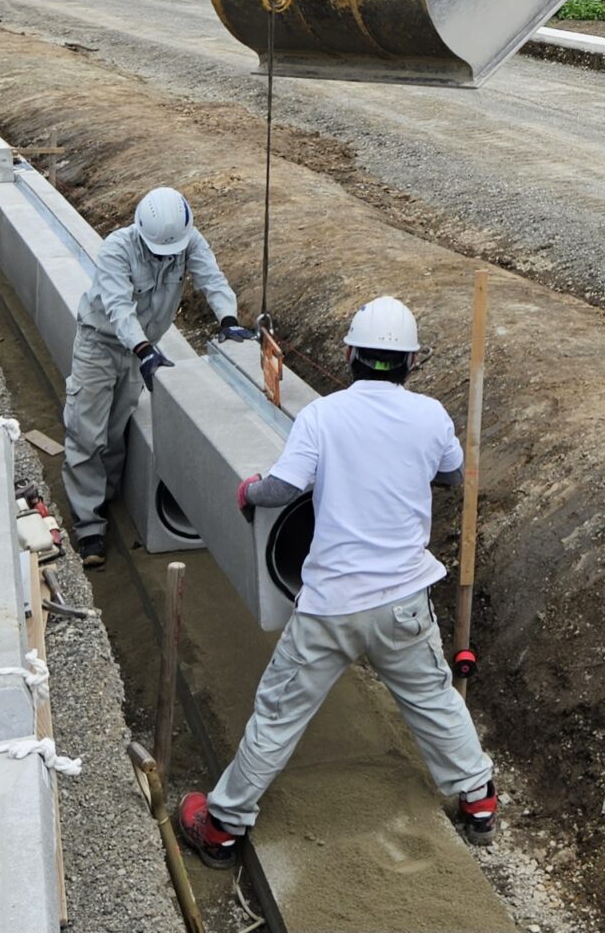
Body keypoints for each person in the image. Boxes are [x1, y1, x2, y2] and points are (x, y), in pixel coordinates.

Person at [175, 297, 499, 864]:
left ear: (350, 354)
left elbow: (281, 488)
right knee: (432, 698)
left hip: (331, 607)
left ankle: (222, 826)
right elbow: (452, 473)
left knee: (279, 714)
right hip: (403, 603)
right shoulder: (430, 416)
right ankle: (478, 800)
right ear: (411, 361)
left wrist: (249, 491)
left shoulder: (322, 416)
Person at [62, 185, 249, 568]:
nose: (167, 257)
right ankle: (88, 526)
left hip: (140, 350)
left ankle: (107, 497)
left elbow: (212, 280)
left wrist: (228, 320)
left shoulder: (189, 241)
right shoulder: (118, 249)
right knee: (86, 433)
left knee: (115, 432)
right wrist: (145, 351)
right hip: (101, 344)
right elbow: (119, 308)